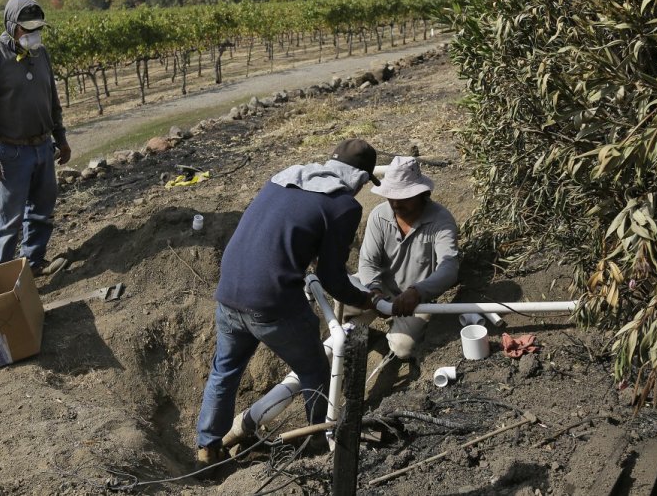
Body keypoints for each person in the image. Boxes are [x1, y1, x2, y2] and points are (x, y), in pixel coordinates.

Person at [195, 139, 382, 466]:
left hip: (229, 293)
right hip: (271, 303)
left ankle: (207, 450)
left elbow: (278, 235)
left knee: (224, 372)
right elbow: (333, 277)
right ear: (360, 178)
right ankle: (312, 450)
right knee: (315, 371)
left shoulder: (284, 177)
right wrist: (365, 300)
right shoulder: (343, 207)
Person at [0, 0, 71, 275]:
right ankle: (1, 276)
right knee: (9, 219)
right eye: (27, 29)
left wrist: (60, 138)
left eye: (37, 29)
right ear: (12, 26)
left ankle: (34, 263)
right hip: (12, 152)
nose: (33, 35)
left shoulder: (41, 54)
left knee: (42, 211)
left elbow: (52, 100)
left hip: (43, 147)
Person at [356, 155, 459, 364]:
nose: (395, 203)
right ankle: (358, 337)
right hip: (380, 287)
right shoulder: (379, 215)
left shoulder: (440, 220)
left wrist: (418, 291)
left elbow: (449, 267)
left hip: (414, 298)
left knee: (402, 348)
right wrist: (373, 290)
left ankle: (389, 341)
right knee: (342, 297)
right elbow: (367, 261)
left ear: (422, 194)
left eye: (403, 197)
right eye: (391, 196)